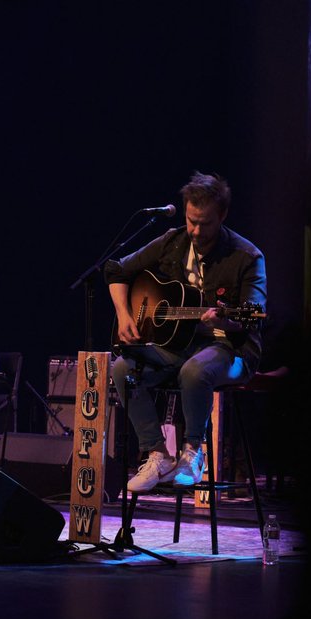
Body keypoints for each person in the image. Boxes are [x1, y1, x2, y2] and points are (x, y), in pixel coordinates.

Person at [106, 172, 266, 491]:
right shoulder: (172, 241)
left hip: (229, 349)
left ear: (222, 215)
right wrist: (125, 316)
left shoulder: (247, 256)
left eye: (204, 223)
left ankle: (193, 452)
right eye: (191, 220)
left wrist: (224, 321)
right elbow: (117, 270)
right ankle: (157, 454)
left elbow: (254, 318)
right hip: (176, 345)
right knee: (123, 368)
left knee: (194, 372)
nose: (195, 230)